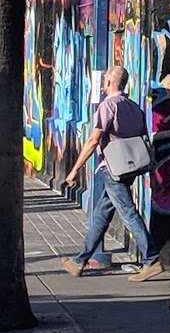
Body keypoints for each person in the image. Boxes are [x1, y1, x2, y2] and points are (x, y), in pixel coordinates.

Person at [63, 66, 160, 280]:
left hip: (113, 169)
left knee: (128, 213)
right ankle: (79, 261)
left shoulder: (108, 106)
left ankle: (151, 259)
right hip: (130, 168)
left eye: (105, 77)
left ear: (109, 82)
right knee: (102, 214)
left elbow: (93, 140)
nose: (103, 82)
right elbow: (144, 141)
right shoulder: (134, 107)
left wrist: (74, 170)